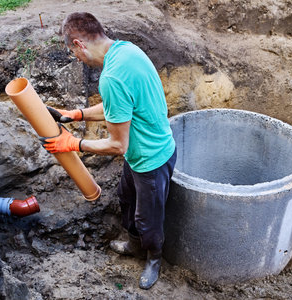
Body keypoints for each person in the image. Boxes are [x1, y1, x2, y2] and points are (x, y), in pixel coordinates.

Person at [40, 12, 176, 290]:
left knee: (148, 220)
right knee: (126, 199)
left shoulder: (112, 77)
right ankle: (133, 243)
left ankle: (153, 257)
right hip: (139, 155)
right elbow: (120, 106)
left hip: (151, 159)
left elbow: (117, 145)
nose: (77, 58)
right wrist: (75, 115)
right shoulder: (126, 51)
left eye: (72, 53)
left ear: (79, 44)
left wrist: (74, 145)